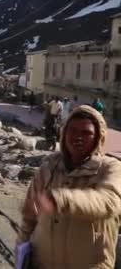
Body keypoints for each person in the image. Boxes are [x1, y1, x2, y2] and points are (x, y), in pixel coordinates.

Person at [17, 106, 121, 268]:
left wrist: (61, 200)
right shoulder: (49, 166)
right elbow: (29, 218)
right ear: (64, 133)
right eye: (72, 130)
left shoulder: (111, 168)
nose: (78, 137)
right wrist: (21, 250)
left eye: (86, 133)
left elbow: (109, 202)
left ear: (98, 138)